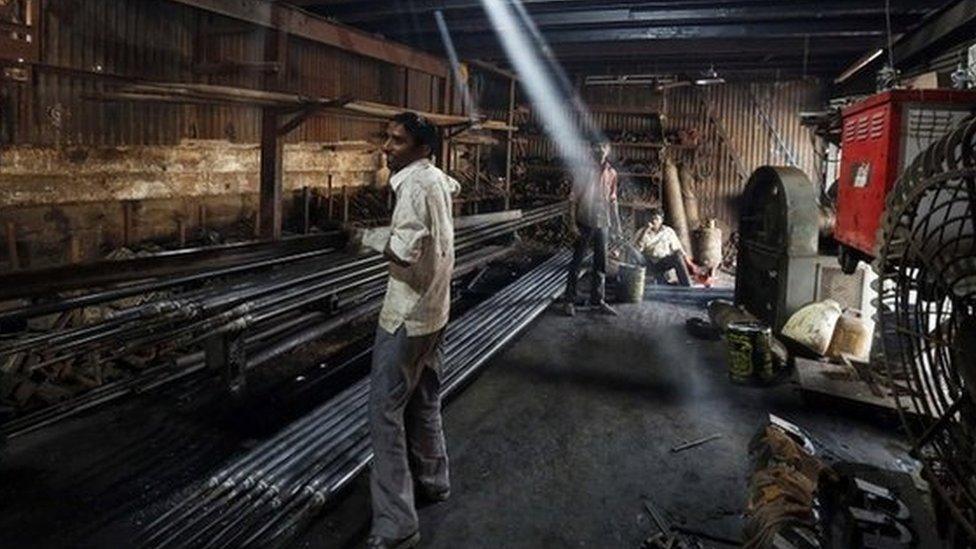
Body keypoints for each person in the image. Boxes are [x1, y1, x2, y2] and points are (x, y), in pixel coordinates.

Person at [347, 112, 459, 549]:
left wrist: (365, 239)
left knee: (385, 414)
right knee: (425, 401)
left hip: (407, 316)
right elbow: (454, 186)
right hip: (437, 310)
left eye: (398, 141)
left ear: (422, 148)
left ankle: (397, 522)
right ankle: (434, 481)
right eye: (388, 138)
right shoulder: (435, 180)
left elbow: (403, 255)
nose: (388, 147)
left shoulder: (413, 186)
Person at [563, 141, 620, 317]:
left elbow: (613, 200)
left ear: (608, 151)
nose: (600, 150)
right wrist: (572, 223)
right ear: (592, 150)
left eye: (604, 147)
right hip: (584, 221)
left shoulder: (612, 173)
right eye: (597, 147)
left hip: (603, 222)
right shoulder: (582, 171)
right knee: (577, 262)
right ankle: (569, 300)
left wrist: (617, 225)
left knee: (600, 264)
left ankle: (598, 300)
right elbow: (573, 199)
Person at [636, 208, 693, 286]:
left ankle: (687, 286)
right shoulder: (641, 232)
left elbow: (679, 249)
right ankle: (666, 283)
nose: (653, 221)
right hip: (649, 263)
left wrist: (691, 265)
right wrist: (645, 231)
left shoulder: (668, 232)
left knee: (678, 256)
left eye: (656, 219)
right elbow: (636, 251)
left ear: (661, 220)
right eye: (651, 218)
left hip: (662, 262)